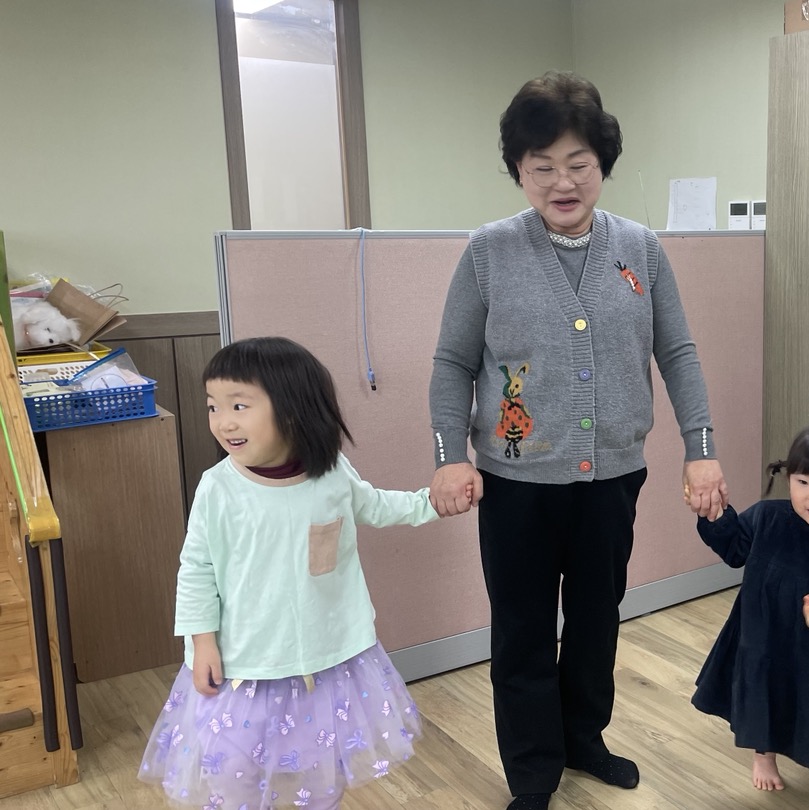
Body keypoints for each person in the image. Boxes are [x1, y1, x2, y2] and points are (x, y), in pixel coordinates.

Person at [427, 71, 729, 810]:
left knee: (597, 621)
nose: (562, 183)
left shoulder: (641, 249)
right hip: (517, 483)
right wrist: (448, 457)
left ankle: (583, 739)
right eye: (542, 167)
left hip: (612, 478)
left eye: (578, 164)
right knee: (524, 631)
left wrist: (701, 447)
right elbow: (453, 362)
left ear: (602, 164)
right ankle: (533, 771)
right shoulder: (490, 251)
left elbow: (678, 352)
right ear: (518, 170)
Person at [138, 336, 444, 809]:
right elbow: (196, 568)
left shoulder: (332, 474)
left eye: (239, 405)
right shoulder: (218, 488)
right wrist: (202, 642)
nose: (223, 421)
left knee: (322, 763)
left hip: (326, 658)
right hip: (245, 664)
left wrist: (434, 503)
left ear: (294, 409)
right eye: (213, 406)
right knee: (234, 768)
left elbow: (378, 506)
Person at [693, 426, 809, 793]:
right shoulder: (767, 517)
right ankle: (764, 755)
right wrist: (716, 516)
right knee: (764, 695)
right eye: (803, 482)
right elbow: (735, 549)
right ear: (789, 478)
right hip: (759, 637)